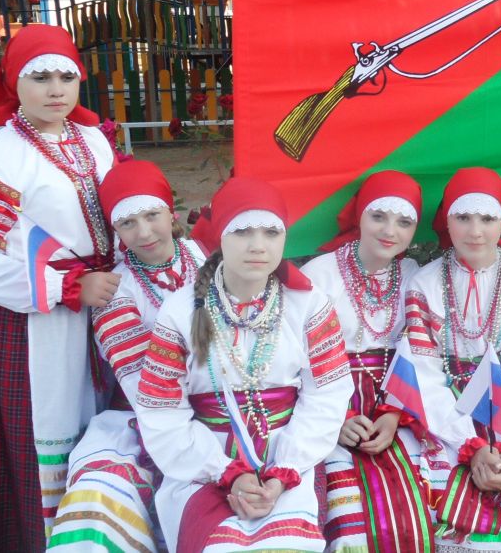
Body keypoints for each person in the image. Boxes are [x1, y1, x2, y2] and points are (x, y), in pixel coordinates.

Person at [0, 23, 116, 550]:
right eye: (40, 77)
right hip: (34, 329)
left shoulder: (93, 140)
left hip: (106, 315)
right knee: (45, 449)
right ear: (12, 83)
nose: (55, 90)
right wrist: (69, 287)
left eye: (66, 77)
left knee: (109, 440)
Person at [136, 177, 353, 552]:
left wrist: (284, 470)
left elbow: (327, 395)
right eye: (242, 232)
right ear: (220, 236)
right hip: (202, 464)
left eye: (271, 232)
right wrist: (225, 472)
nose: (258, 245)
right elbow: (162, 411)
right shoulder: (179, 311)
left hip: (289, 457)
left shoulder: (308, 304)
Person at [403, 167, 501, 553]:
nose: (475, 231)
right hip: (446, 412)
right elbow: (424, 372)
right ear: (446, 221)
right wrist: (469, 444)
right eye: (463, 218)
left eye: (487, 219)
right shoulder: (423, 283)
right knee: (430, 486)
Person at [48, 159, 204, 551]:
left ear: (170, 212)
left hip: (224, 406)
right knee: (102, 496)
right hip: (143, 417)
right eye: (127, 223)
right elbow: (139, 379)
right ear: (115, 230)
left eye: (152, 215)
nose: (144, 232)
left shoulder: (206, 258)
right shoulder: (116, 288)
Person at [298, 170, 435, 553]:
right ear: (359, 216)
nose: (390, 230)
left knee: (423, 502)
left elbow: (419, 351)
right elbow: (300, 358)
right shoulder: (319, 275)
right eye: (378, 217)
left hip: (396, 403)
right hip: (329, 402)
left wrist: (394, 414)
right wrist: (337, 419)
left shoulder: (413, 276)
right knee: (349, 516)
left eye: (404, 222)